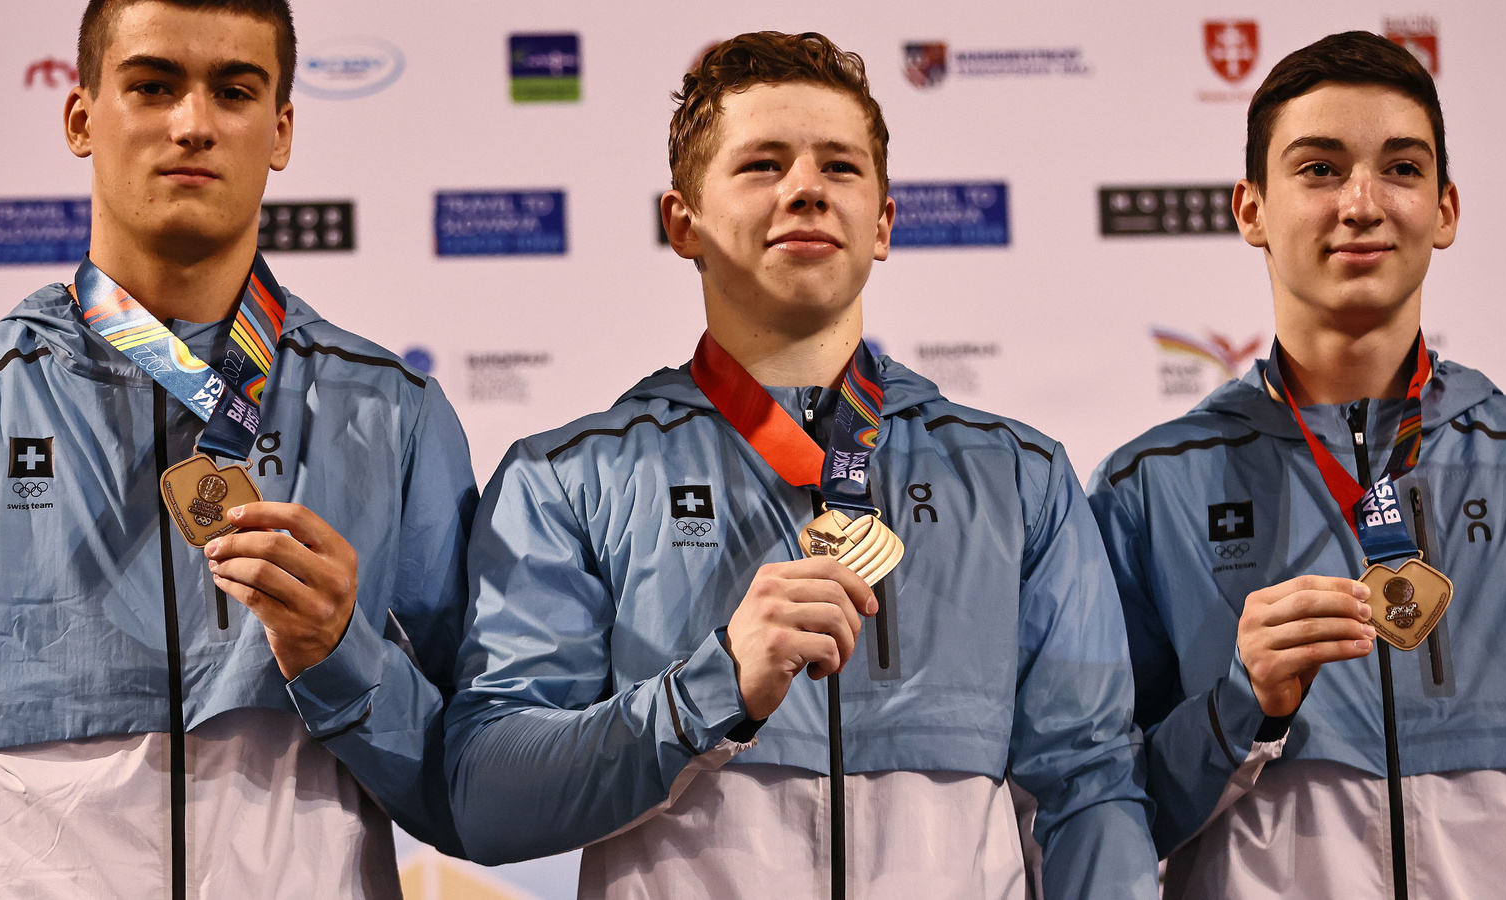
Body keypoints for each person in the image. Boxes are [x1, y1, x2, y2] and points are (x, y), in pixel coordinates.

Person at [446, 31, 1157, 900]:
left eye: (841, 168)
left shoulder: (1019, 476)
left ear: (885, 223)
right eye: (763, 164)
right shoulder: (566, 478)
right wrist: (711, 687)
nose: (807, 189)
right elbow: (487, 797)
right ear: (683, 223)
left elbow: (1091, 791)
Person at [0, 1, 475, 895]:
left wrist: (347, 659)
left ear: (281, 130)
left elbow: (472, 786)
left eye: (233, 90)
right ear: (80, 119)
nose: (193, 123)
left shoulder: (393, 413)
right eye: (152, 85)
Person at [1088, 30, 1506, 899]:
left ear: (1444, 209)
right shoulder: (1149, 488)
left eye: (1401, 169)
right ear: (1251, 209)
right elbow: (1097, 812)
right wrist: (1239, 705)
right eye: (1320, 169)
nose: (1361, 202)